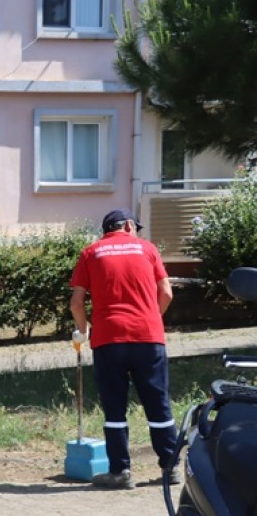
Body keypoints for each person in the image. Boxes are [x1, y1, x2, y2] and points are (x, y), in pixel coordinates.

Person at [70, 208, 178, 489]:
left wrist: (82, 331)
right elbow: (166, 292)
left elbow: (76, 302)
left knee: (115, 408)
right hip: (148, 337)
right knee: (158, 403)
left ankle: (119, 473)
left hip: (109, 339)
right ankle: (170, 467)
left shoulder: (91, 252)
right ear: (129, 225)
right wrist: (151, 318)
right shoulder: (147, 249)